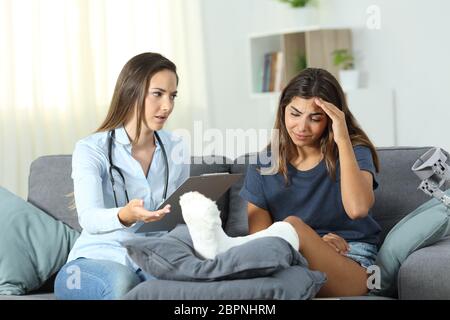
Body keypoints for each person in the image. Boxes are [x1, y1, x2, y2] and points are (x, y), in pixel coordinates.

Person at [180, 67, 381, 298]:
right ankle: (217, 264)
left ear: (331, 120)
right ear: (283, 110)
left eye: (315, 118)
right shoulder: (263, 165)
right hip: (291, 259)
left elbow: (358, 209)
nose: (302, 127)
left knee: (292, 224)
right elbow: (265, 244)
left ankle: (222, 252)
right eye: (295, 114)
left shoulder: (355, 151)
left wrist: (343, 136)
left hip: (352, 261)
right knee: (264, 272)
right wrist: (313, 245)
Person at [54, 52, 190, 300]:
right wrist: (124, 215)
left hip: (150, 257)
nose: (167, 106)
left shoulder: (176, 147)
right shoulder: (91, 149)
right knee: (122, 283)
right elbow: (89, 218)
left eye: (173, 96)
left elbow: (180, 215)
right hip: (89, 264)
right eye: (157, 94)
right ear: (132, 92)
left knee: (178, 285)